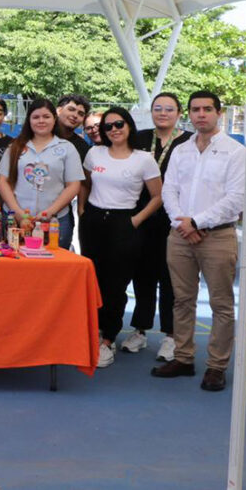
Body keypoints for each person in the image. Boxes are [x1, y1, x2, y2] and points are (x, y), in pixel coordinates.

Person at [153, 91, 245, 392]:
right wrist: (183, 222)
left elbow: (235, 200)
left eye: (207, 109)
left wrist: (197, 222)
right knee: (181, 299)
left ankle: (216, 366)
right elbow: (169, 191)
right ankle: (183, 358)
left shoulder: (235, 151)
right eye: (195, 110)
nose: (201, 114)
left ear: (219, 113)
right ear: (188, 115)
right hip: (180, 235)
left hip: (218, 236)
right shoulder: (182, 150)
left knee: (221, 304)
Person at [78, 107, 163, 369]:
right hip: (93, 221)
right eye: (108, 126)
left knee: (115, 284)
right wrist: (82, 211)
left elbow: (158, 196)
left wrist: (134, 221)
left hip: (124, 222)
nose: (114, 130)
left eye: (119, 124)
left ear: (129, 126)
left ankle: (108, 338)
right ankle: (91, 333)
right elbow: (85, 183)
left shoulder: (143, 159)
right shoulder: (95, 153)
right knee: (92, 280)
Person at [125, 92, 191, 361]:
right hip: (140, 215)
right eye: (157, 108)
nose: (163, 113)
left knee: (170, 277)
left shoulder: (188, 141)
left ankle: (171, 335)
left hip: (174, 217)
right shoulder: (138, 138)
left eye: (169, 109)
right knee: (142, 275)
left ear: (178, 113)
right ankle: (139, 330)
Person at [0, 97, 84, 247]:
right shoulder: (15, 147)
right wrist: (18, 213)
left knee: (54, 267)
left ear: (54, 119)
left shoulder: (67, 148)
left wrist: (49, 213)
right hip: (16, 219)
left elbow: (73, 185)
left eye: (46, 117)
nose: (41, 121)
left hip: (55, 221)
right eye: (36, 117)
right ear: (29, 120)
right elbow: (3, 181)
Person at [56, 94, 92, 162]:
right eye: (71, 110)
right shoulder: (41, 136)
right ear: (59, 110)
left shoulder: (83, 147)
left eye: (80, 114)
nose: (75, 115)